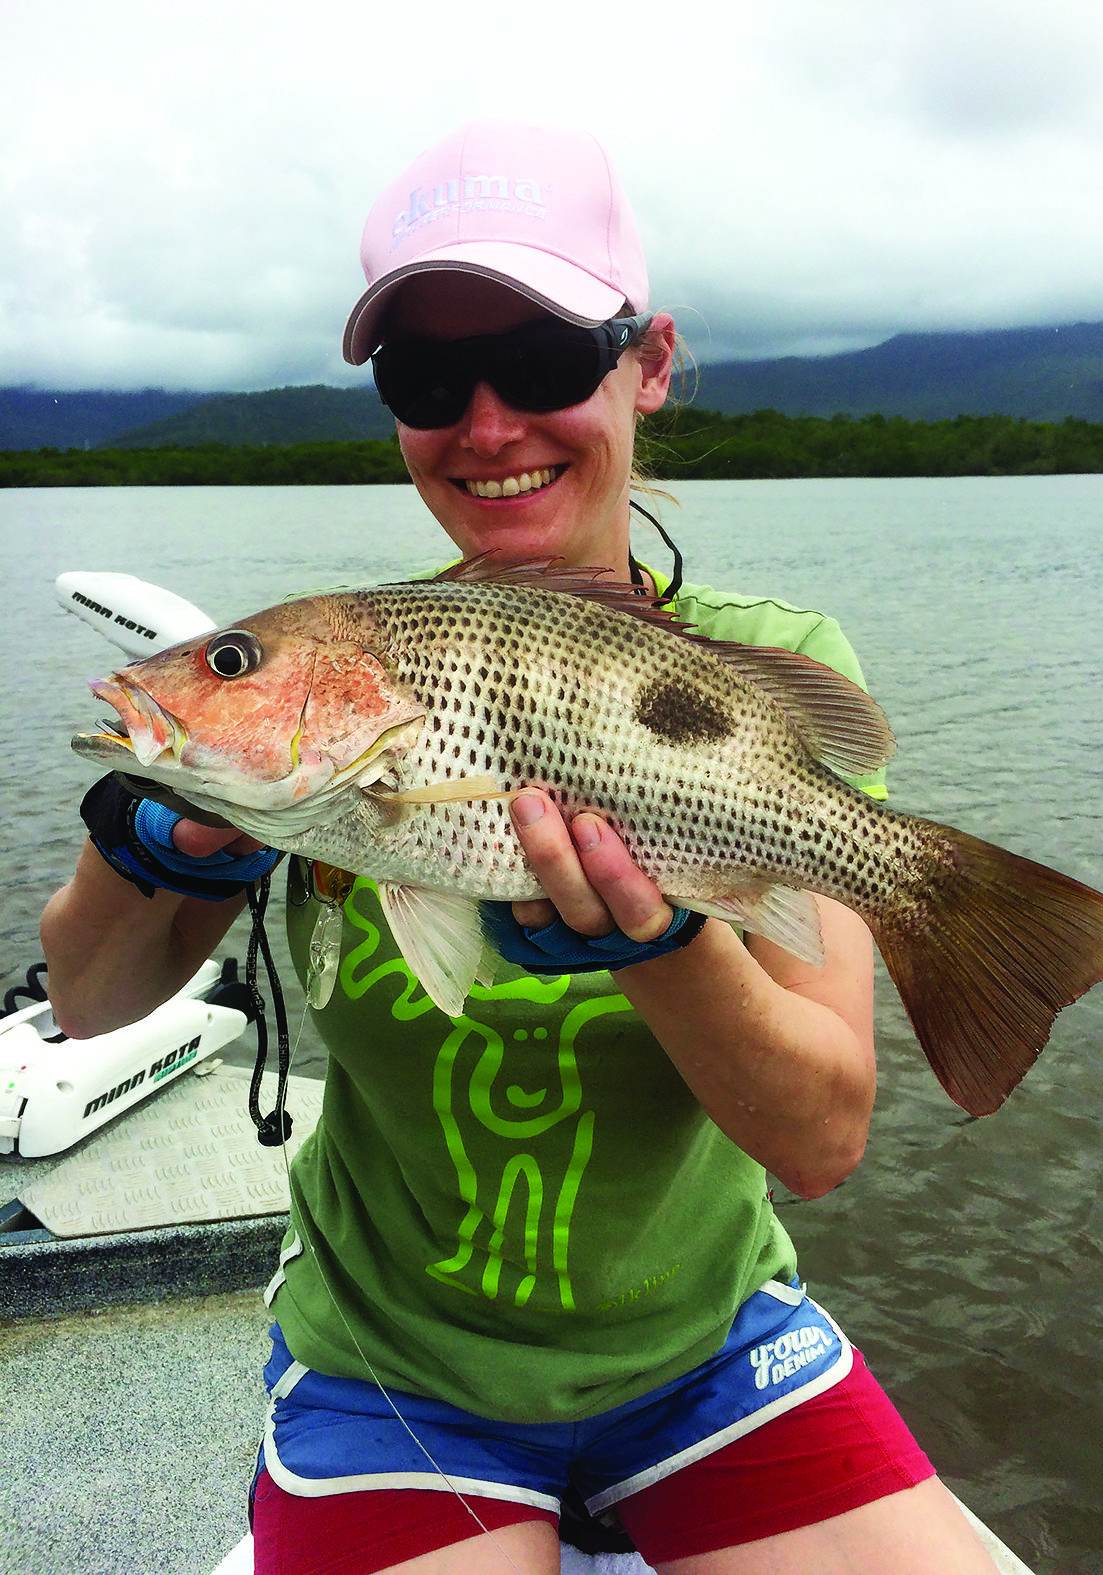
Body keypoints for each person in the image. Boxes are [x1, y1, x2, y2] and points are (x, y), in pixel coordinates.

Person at [42, 120, 999, 1575]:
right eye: (430, 381)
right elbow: (93, 1003)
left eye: (549, 362)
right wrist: (158, 842)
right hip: (399, 1373)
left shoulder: (773, 666)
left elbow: (822, 1138)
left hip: (703, 1348)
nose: (489, 425)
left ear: (651, 362)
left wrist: (666, 947)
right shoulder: (333, 687)